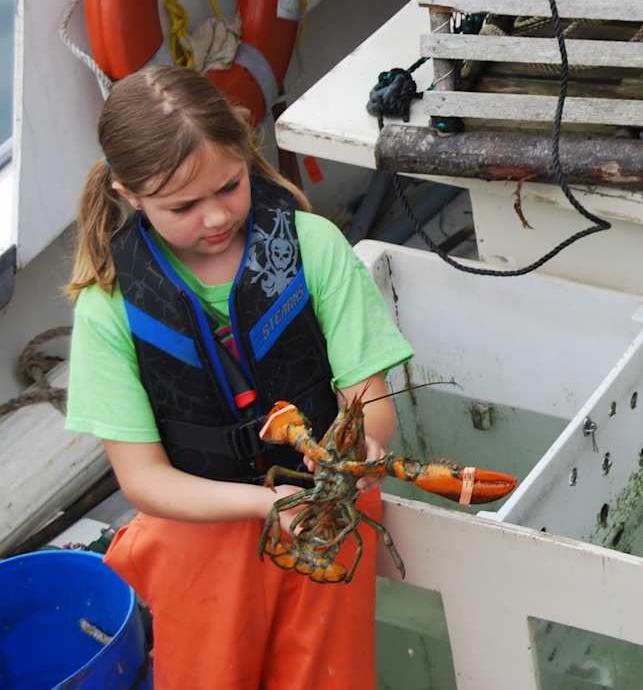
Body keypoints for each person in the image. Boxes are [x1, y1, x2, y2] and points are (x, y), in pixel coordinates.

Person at [64, 66, 416, 689]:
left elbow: (372, 405)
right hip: (199, 533)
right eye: (183, 206)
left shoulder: (312, 244)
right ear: (128, 194)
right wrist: (263, 503)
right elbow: (142, 480)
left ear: (246, 153)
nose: (214, 217)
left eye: (229, 186)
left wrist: (354, 459)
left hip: (322, 512)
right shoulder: (108, 306)